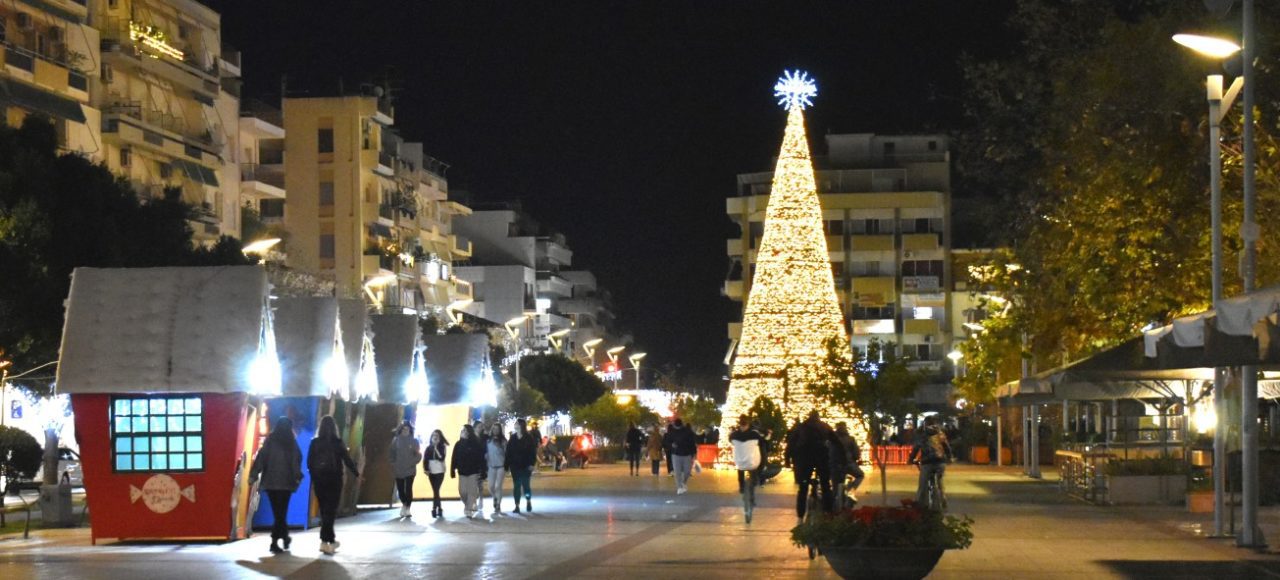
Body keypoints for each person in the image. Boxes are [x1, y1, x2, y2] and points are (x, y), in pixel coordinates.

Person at [308, 415, 359, 555]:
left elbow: (309, 463)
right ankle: (325, 541)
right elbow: (347, 459)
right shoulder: (338, 442)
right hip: (334, 480)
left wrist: (315, 478)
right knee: (330, 511)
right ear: (334, 427)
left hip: (319, 481)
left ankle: (329, 540)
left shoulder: (314, 443)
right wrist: (356, 473)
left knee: (325, 510)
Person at [250, 417, 301, 554]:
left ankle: (281, 538)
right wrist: (297, 477)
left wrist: (253, 475)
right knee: (281, 513)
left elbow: (261, 457)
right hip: (286, 483)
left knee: (278, 513)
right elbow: (297, 460)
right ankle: (278, 539)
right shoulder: (291, 442)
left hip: (271, 483)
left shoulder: (270, 441)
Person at [785, 410, 833, 518]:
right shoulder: (825, 426)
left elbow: (791, 444)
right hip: (821, 460)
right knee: (825, 485)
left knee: (803, 488)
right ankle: (828, 511)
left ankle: (800, 515)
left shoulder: (800, 427)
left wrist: (787, 460)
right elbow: (836, 442)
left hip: (804, 461)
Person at [908, 417, 953, 508]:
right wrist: (949, 457)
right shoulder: (940, 433)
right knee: (939, 481)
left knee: (923, 484)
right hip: (941, 462)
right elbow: (946, 447)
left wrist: (910, 459)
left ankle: (920, 504)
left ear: (925, 424)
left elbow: (916, 449)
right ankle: (943, 498)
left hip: (927, 462)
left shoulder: (922, 435)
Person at [730, 415, 765, 522]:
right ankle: (752, 489)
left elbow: (730, 440)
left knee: (740, 469)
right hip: (752, 461)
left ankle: (742, 487)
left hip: (740, 461)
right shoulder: (754, 434)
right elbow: (762, 441)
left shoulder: (734, 434)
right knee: (754, 470)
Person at [451, 423, 486, 518]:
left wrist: (483, 471)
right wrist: (452, 470)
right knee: (462, 492)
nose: (464, 432)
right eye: (462, 431)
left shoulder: (476, 444)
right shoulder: (458, 444)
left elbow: (481, 458)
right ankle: (467, 504)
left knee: (471, 491)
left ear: (470, 432)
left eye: (466, 431)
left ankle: (469, 508)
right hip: (462, 472)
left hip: (473, 471)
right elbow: (454, 458)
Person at [389, 421, 421, 518]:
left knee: (408, 488)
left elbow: (418, 455)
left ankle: (408, 508)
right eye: (404, 429)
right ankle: (404, 503)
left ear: (410, 430)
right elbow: (391, 453)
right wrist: (393, 463)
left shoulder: (414, 441)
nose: (405, 431)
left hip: (410, 470)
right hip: (399, 469)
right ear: (401, 430)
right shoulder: (396, 440)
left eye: (407, 429)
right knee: (400, 489)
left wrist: (412, 462)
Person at [506, 418, 537, 513]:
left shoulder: (529, 438)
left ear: (521, 425)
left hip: (526, 466)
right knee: (517, 486)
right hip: (515, 466)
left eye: (517, 424)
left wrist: (532, 464)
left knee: (526, 486)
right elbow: (508, 452)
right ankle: (517, 505)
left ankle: (528, 500)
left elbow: (532, 452)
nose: (515, 425)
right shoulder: (513, 438)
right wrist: (507, 465)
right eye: (515, 424)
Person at [836, 422, 865, 502]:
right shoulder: (850, 439)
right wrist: (856, 459)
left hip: (835, 465)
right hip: (849, 463)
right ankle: (851, 490)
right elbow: (856, 452)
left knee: (835, 480)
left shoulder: (832, 439)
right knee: (860, 475)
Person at [423, 429, 449, 518]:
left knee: (436, 490)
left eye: (437, 435)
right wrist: (426, 469)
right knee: (435, 490)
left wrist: (436, 447)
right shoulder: (428, 448)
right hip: (431, 470)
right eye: (433, 435)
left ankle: (434, 508)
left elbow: (441, 458)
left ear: (440, 437)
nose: (435, 437)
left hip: (440, 470)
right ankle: (439, 508)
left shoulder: (443, 447)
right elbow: (425, 459)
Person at [667, 418, 697, 495]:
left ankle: (683, 483)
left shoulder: (688, 432)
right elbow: (667, 442)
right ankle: (679, 487)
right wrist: (671, 445)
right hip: (676, 454)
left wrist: (694, 453)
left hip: (687, 454)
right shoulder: (671, 432)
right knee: (677, 472)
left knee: (687, 471)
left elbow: (692, 443)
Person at [486, 424, 508, 514]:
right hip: (491, 466)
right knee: (490, 486)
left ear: (500, 430)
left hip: (501, 466)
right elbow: (486, 452)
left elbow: (507, 453)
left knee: (498, 486)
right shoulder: (488, 440)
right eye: (493, 428)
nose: (495, 430)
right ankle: (495, 497)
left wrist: (501, 446)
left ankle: (498, 504)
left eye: (497, 429)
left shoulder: (503, 441)